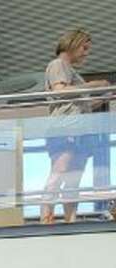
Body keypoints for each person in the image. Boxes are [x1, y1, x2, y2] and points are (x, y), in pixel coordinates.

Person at [41, 29, 106, 224]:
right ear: (73, 43)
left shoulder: (72, 71)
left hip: (78, 129)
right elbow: (60, 92)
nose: (86, 53)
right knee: (60, 170)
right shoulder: (58, 64)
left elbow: (79, 104)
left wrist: (104, 97)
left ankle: (71, 220)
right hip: (64, 128)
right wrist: (93, 86)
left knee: (73, 179)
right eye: (84, 48)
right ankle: (46, 217)